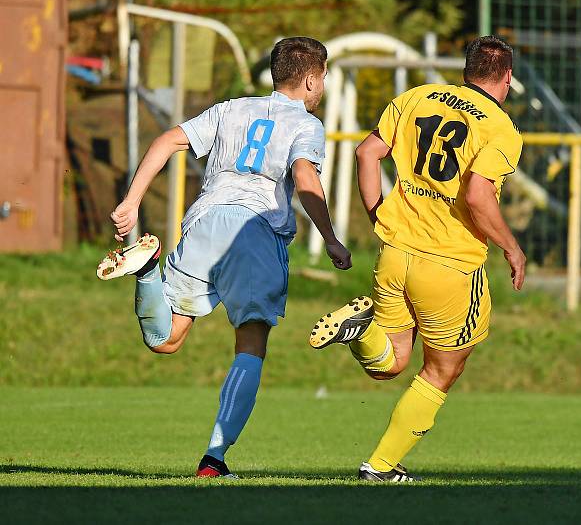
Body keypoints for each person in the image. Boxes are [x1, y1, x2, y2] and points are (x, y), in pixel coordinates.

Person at [97, 36, 351, 478]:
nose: (323, 85)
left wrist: (131, 202)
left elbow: (166, 141)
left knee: (166, 339)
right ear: (312, 79)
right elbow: (305, 175)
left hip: (205, 220)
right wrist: (329, 236)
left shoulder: (230, 108)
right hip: (254, 232)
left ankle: (148, 271)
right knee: (251, 342)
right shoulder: (306, 125)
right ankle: (214, 459)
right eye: (324, 77)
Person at [309, 35, 526, 482]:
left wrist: (378, 215)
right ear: (506, 77)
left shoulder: (416, 97)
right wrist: (511, 246)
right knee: (444, 368)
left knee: (391, 362)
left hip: (394, 253)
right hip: (449, 264)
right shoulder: (500, 127)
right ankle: (381, 466)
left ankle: (363, 330)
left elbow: (367, 152)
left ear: (467, 70)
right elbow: (479, 195)